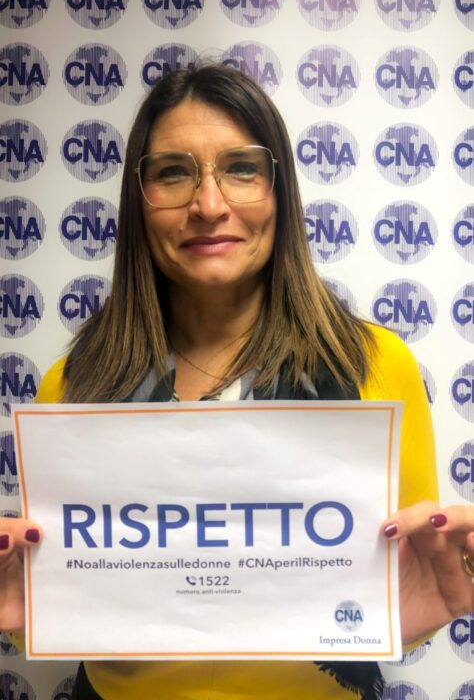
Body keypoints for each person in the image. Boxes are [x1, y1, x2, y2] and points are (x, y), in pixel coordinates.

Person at [1, 63, 473, 700]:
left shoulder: (375, 365)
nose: (209, 205)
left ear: (279, 190)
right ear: (140, 199)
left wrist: (410, 614)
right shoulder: (72, 384)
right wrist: (29, 607)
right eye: (173, 172)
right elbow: (64, 599)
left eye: (241, 169)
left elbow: (406, 598)